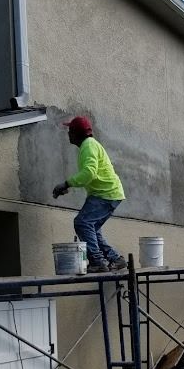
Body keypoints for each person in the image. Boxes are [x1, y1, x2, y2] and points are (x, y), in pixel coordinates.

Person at [53, 116, 127, 273]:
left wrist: (67, 183)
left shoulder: (88, 146)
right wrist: (70, 185)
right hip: (109, 193)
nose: (68, 134)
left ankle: (97, 262)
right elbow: (90, 174)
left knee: (82, 223)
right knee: (92, 229)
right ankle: (115, 259)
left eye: (69, 131)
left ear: (75, 133)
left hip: (105, 194)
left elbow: (89, 173)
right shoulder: (90, 145)